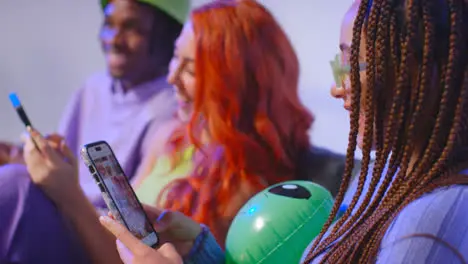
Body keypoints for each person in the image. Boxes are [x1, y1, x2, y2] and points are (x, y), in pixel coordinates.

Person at [99, 0, 468, 263]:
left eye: (354, 63)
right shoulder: (385, 183)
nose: (338, 87)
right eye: (340, 64)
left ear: (428, 73)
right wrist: (202, 252)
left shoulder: (430, 221)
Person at [2, 0, 316, 263]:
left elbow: (125, 255)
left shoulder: (244, 185)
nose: (171, 77)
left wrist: (67, 193)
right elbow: (118, 230)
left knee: (16, 187)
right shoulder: (171, 137)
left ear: (235, 82)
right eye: (175, 59)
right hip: (87, 243)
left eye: (190, 69)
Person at [0, 0, 189, 263]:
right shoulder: (93, 88)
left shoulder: (173, 112)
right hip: (62, 209)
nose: (114, 39)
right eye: (108, 25)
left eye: (131, 27)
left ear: (168, 35)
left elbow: (137, 230)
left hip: (98, 238)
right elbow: (67, 172)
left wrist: (61, 186)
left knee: (14, 185)